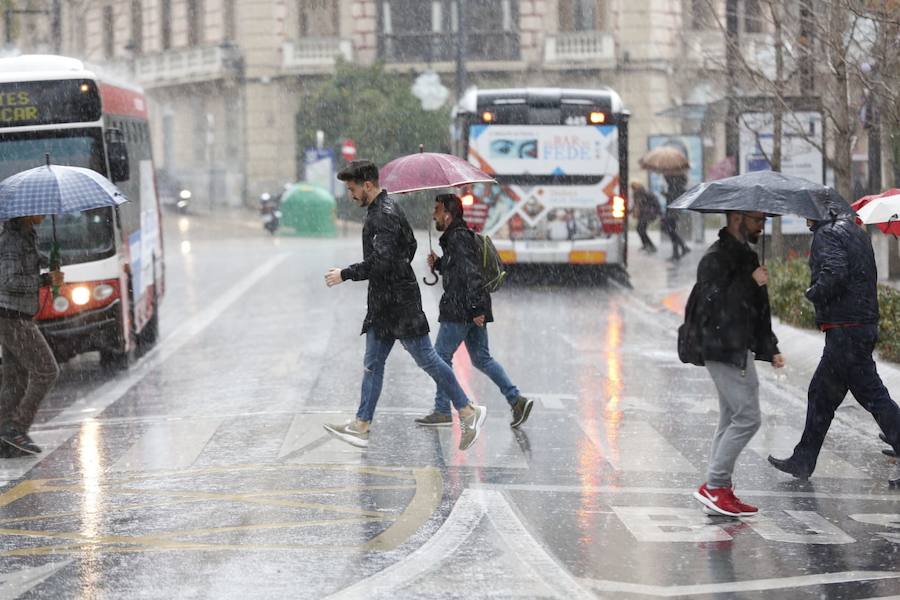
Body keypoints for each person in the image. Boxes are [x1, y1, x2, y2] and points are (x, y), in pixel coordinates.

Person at [323, 160, 487, 451]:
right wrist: (398, 267)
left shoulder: (383, 215)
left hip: (399, 305)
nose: (351, 195)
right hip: (386, 303)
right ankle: (361, 425)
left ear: (367, 185)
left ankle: (466, 409)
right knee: (373, 363)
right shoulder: (387, 210)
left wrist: (345, 274)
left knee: (427, 359)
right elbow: (409, 245)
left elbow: (382, 261)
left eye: (352, 189)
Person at [768, 214, 900, 486]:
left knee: (871, 395)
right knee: (822, 395)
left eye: (806, 213)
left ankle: (804, 459)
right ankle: (803, 459)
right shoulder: (854, 231)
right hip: (857, 325)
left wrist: (813, 292)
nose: (804, 218)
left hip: (846, 329)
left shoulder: (827, 233)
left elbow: (835, 273)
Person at [682, 211, 785, 516]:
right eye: (757, 220)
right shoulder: (715, 258)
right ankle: (715, 486)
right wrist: (750, 282)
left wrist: (770, 346)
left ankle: (719, 488)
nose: (762, 226)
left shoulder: (747, 256)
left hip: (739, 347)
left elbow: (758, 308)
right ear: (738, 218)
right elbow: (712, 306)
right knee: (748, 418)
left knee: (730, 417)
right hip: (721, 347)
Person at [414, 194, 533, 429]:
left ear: (448, 215)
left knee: (440, 357)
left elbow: (471, 274)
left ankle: (442, 410)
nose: (433, 215)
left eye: (437, 210)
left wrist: (476, 308)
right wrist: (439, 264)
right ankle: (516, 400)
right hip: (471, 306)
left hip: (462, 308)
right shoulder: (458, 237)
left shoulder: (457, 238)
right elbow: (460, 269)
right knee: (481, 358)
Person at [0, 215, 62, 457]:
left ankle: (4, 431)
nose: (43, 215)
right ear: (25, 213)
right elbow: (7, 280)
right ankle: (16, 427)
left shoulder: (26, 235)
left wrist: (51, 262)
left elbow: (23, 265)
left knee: (16, 377)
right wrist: (44, 280)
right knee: (46, 370)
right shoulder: (12, 239)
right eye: (39, 211)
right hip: (11, 315)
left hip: (14, 314)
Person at [662, 174, 690, 261]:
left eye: (666, 178)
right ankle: (678, 252)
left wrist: (666, 194)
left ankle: (682, 248)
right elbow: (674, 197)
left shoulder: (675, 185)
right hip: (673, 212)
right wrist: (666, 194)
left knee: (671, 232)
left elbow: (674, 197)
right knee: (671, 232)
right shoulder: (676, 185)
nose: (665, 180)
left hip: (672, 212)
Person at [630, 180, 660, 253]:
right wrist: (630, 211)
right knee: (640, 229)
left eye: (633, 188)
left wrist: (655, 211)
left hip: (648, 214)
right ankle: (646, 244)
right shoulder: (639, 193)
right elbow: (637, 205)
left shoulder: (642, 193)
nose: (632, 190)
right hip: (644, 214)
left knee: (641, 229)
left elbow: (653, 202)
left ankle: (650, 246)